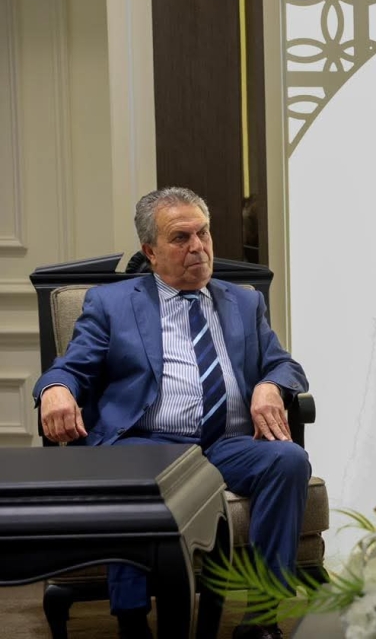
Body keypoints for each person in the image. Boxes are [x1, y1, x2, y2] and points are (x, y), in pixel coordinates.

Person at [35, 187, 310, 639]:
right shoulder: (112, 303)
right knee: (130, 473)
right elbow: (73, 366)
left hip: (226, 444)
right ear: (151, 251)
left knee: (289, 459)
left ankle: (262, 616)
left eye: (203, 233)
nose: (198, 247)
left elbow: (283, 364)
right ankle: (131, 620)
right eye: (181, 238)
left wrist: (270, 385)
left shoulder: (243, 301)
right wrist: (56, 389)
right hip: (149, 444)